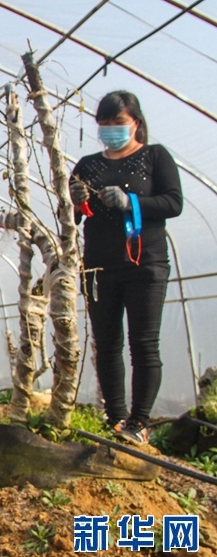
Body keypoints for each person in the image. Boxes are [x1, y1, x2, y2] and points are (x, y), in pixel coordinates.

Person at [70, 90, 182, 445]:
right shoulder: (88, 165)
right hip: (99, 266)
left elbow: (173, 203)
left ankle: (139, 421)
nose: (110, 130)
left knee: (144, 343)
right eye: (104, 124)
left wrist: (131, 200)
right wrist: (76, 202)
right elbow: (74, 216)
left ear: (135, 122)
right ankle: (116, 418)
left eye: (118, 123)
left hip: (144, 262)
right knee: (106, 343)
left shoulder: (154, 156)